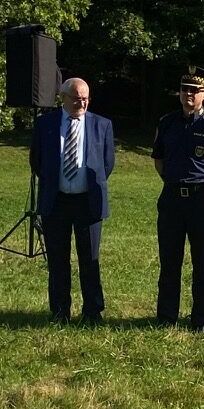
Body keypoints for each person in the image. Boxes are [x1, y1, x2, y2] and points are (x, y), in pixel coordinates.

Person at [151, 69, 204, 329]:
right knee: (169, 260)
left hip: (202, 200)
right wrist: (173, 182)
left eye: (194, 91)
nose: (188, 94)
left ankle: (201, 319)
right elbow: (159, 160)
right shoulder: (167, 122)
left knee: (202, 262)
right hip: (172, 199)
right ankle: (167, 317)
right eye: (184, 89)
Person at [32, 77, 115, 324]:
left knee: (90, 259)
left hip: (88, 202)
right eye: (77, 98)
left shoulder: (102, 125)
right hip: (56, 202)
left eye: (86, 98)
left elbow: (107, 164)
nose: (82, 103)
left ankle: (92, 311)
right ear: (63, 98)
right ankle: (60, 311)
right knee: (58, 260)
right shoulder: (45, 124)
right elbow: (37, 161)